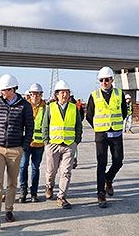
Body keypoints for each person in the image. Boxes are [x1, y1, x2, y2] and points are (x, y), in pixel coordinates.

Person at [0, 74, 33, 227]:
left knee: (12, 182)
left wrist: (23, 147)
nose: (2, 93)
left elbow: (29, 127)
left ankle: (9, 209)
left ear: (12, 89)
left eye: (4, 90)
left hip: (15, 149)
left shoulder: (25, 105)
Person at [86, 66, 127, 208]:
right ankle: (100, 193)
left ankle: (108, 179)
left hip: (115, 133)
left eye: (107, 80)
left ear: (112, 80)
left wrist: (114, 124)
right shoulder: (94, 95)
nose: (104, 82)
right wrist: (98, 128)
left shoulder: (119, 94)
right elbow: (89, 116)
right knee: (101, 164)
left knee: (118, 161)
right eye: (102, 80)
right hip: (101, 135)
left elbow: (124, 112)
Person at [42, 80, 82, 209]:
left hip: (69, 145)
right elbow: (45, 125)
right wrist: (46, 142)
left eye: (67, 92)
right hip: (53, 144)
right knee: (51, 171)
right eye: (62, 92)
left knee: (66, 172)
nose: (64, 95)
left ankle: (61, 196)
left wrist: (76, 141)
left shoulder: (73, 108)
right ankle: (49, 186)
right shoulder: (50, 107)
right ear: (57, 95)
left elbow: (78, 126)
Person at [18, 83, 46, 203]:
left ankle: (34, 193)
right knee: (23, 166)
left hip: (39, 144)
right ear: (29, 95)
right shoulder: (24, 106)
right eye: (33, 94)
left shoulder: (45, 108)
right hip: (26, 143)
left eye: (37, 94)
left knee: (35, 168)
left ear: (41, 95)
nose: (35, 96)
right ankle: (23, 191)